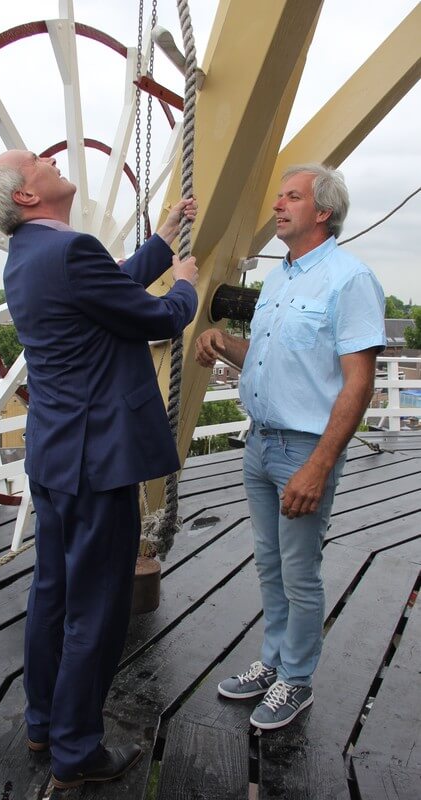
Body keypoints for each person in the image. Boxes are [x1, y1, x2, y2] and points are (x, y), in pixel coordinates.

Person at [0, 150, 198, 788]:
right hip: (100, 459)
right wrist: (183, 280)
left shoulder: (32, 256)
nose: (47, 161)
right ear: (24, 196)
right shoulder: (71, 253)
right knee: (97, 609)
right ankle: (77, 751)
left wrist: (159, 241)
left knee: (53, 594)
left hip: (55, 454)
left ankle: (43, 721)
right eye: (35, 163)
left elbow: (109, 286)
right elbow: (155, 316)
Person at [195, 163, 386, 730]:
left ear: (322, 212)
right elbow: (274, 351)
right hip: (260, 444)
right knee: (271, 566)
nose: (278, 206)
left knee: (300, 572)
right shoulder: (280, 278)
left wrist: (320, 465)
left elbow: (359, 381)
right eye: (278, 196)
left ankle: (296, 681)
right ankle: (274, 662)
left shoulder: (349, 279)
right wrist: (222, 342)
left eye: (292, 197)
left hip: (305, 449)